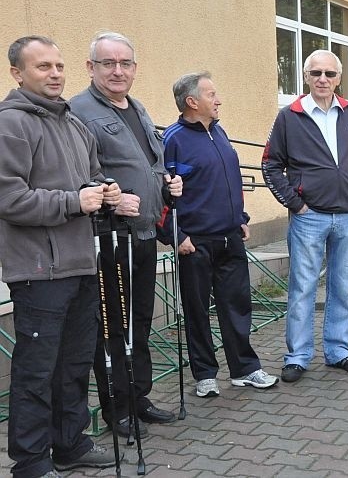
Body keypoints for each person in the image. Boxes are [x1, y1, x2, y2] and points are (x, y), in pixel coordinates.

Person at [0, 36, 121, 476]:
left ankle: (70, 444)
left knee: (73, 365)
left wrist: (106, 191)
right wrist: (75, 201)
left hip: (81, 264)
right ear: (18, 73)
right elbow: (9, 199)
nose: (55, 74)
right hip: (37, 272)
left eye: (59, 66)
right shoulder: (11, 124)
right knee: (36, 373)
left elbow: (90, 178)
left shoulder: (73, 124)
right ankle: (30, 462)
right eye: (43, 67)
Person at [70, 31, 182, 437]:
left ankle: (139, 397)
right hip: (110, 238)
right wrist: (110, 198)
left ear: (134, 68)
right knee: (113, 327)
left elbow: (149, 161)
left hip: (145, 233)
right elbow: (77, 172)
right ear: (91, 68)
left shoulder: (137, 107)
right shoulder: (78, 111)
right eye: (108, 63)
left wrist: (167, 182)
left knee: (141, 321)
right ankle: (117, 410)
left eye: (125, 64)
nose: (118, 71)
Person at [161, 72, 278, 398]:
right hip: (194, 243)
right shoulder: (173, 140)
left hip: (229, 236)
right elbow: (161, 194)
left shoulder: (220, 132)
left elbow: (227, 180)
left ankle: (244, 369)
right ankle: (205, 374)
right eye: (212, 94)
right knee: (197, 310)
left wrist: (240, 217)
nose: (219, 100)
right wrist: (176, 234)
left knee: (237, 305)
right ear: (192, 101)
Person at [262, 50, 348, 383]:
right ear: (305, 77)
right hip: (310, 217)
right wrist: (296, 204)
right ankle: (297, 356)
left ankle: (338, 351)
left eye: (329, 73)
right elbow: (270, 165)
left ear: (339, 78)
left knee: (342, 287)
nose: (323, 79)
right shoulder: (289, 116)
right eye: (315, 73)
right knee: (302, 288)